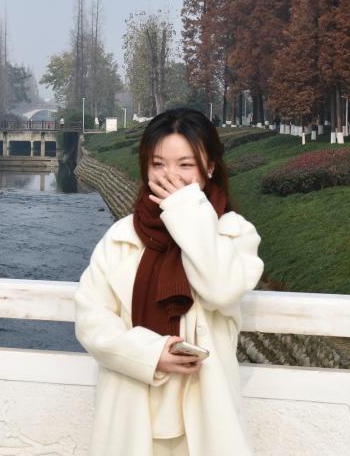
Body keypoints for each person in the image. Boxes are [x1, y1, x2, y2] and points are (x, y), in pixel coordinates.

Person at [75, 108, 263, 456]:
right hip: (133, 414)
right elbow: (91, 319)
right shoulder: (121, 237)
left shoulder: (233, 234)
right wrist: (150, 354)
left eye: (185, 165)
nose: (170, 176)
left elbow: (222, 290)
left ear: (209, 167)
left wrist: (185, 209)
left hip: (205, 416)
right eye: (158, 164)